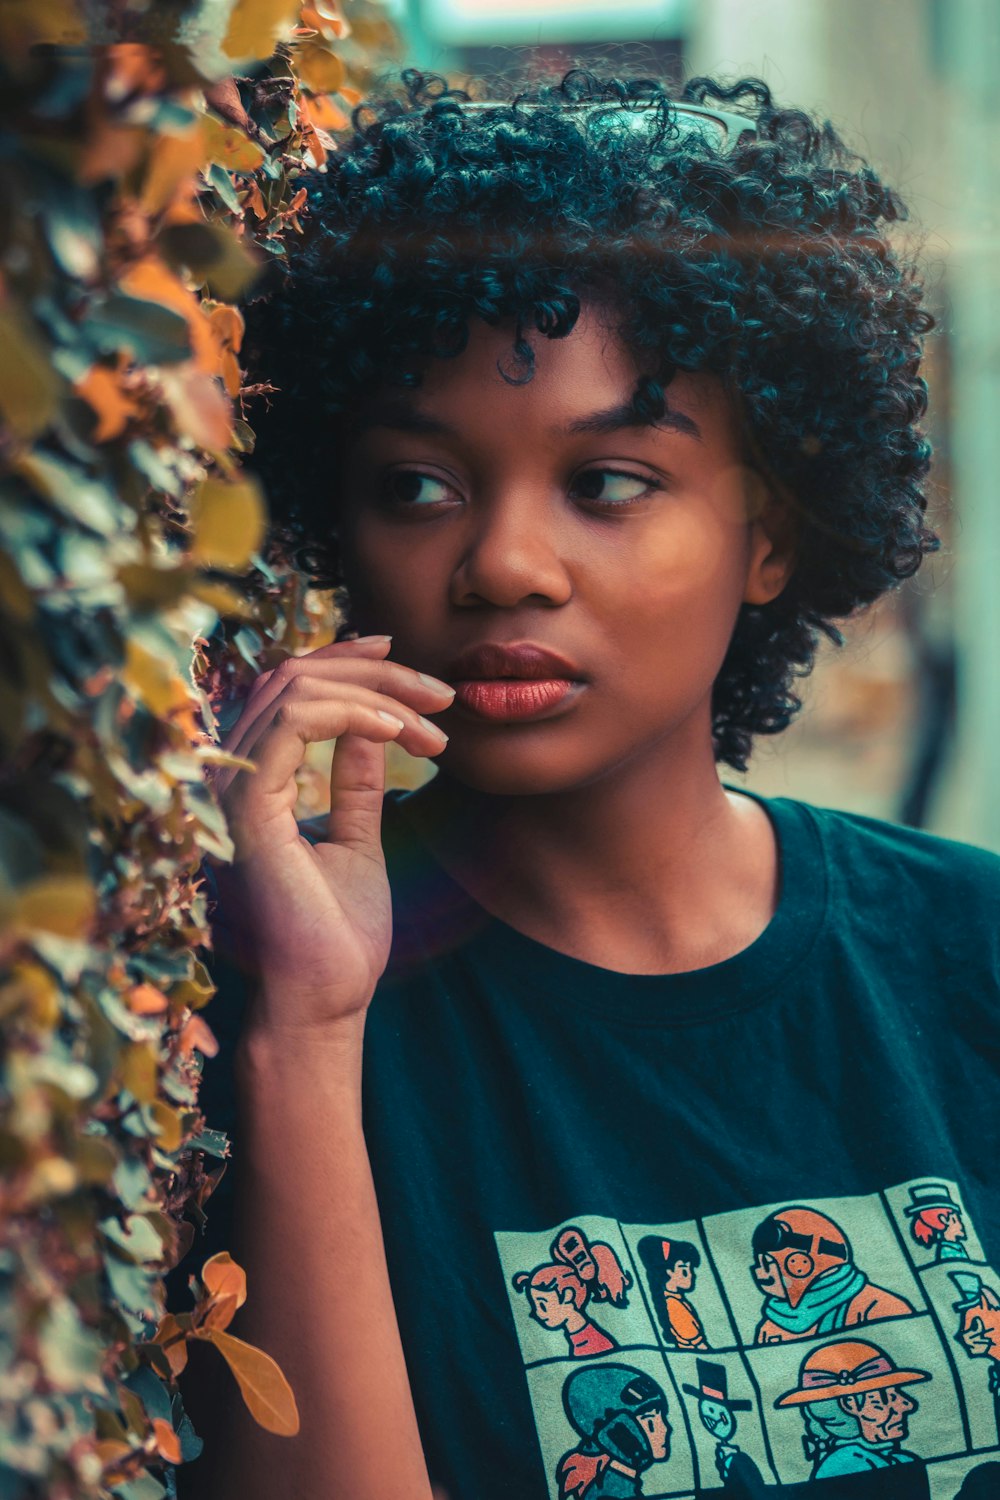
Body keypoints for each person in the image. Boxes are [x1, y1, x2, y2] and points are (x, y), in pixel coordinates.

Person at [176, 66, 1000, 1500]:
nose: (503, 564)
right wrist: (305, 1037)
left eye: (610, 481)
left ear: (771, 534)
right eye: (418, 485)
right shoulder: (257, 1005)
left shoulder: (973, 948)